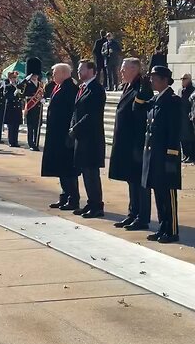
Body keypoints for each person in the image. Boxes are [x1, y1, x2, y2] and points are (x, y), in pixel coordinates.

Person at [134, 66, 182, 243]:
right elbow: (136, 110)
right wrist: (143, 91)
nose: (152, 81)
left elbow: (174, 131)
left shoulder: (173, 100)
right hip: (153, 155)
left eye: (154, 78)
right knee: (158, 193)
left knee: (168, 195)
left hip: (165, 156)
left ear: (163, 80)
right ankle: (163, 227)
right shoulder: (155, 99)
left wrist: (171, 156)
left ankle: (172, 230)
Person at [109, 58, 152, 230]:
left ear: (134, 69)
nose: (121, 72)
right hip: (126, 143)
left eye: (124, 69)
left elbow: (141, 117)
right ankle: (132, 213)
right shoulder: (128, 86)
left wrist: (137, 146)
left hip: (136, 144)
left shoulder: (141, 88)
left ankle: (142, 218)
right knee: (131, 180)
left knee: (139, 183)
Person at [68, 60, 106, 218]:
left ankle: (97, 206)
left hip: (91, 138)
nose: (78, 72)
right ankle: (91, 203)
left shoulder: (96, 89)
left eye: (81, 69)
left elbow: (92, 115)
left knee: (92, 173)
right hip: (81, 138)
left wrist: (76, 128)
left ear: (91, 71)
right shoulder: (82, 88)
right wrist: (72, 125)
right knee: (85, 172)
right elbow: (76, 111)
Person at [41, 63, 79, 210]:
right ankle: (64, 196)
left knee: (67, 168)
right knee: (60, 168)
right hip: (56, 133)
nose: (53, 76)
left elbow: (70, 112)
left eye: (55, 73)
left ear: (63, 73)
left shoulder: (70, 89)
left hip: (64, 134)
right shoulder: (59, 86)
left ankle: (73, 198)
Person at [17, 57, 44, 151]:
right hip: (30, 106)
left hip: (38, 107)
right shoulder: (26, 83)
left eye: (36, 74)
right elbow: (19, 87)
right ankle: (31, 144)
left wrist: (42, 99)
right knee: (30, 127)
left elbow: (43, 93)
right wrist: (25, 79)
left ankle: (36, 143)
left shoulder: (40, 84)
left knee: (37, 126)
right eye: (33, 74)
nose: (35, 76)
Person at [178, 74, 195, 163]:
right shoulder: (180, 90)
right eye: (182, 79)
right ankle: (185, 155)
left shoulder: (192, 91)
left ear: (189, 79)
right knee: (182, 137)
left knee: (190, 138)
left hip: (189, 117)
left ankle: (191, 156)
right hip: (181, 116)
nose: (183, 81)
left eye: (184, 79)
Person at [3, 71, 23, 147]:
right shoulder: (8, 86)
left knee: (16, 126)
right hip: (11, 108)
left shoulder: (18, 86)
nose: (14, 79)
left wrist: (20, 93)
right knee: (11, 126)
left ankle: (15, 141)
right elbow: (6, 95)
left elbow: (22, 96)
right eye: (13, 78)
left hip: (17, 108)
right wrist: (14, 94)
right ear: (10, 78)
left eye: (15, 77)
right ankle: (11, 141)